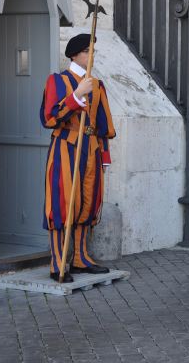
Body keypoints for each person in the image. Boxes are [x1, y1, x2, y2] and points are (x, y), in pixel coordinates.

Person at [40, 33, 115, 282]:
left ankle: (80, 258)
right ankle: (57, 262)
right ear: (74, 55)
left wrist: (104, 156)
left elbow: (102, 125)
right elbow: (49, 118)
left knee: (88, 202)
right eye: (87, 51)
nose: (90, 56)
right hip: (66, 147)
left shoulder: (97, 84)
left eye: (92, 51)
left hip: (91, 149)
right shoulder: (57, 81)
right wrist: (75, 97)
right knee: (62, 203)